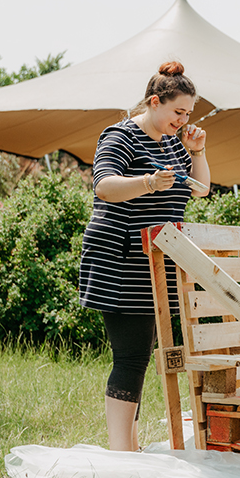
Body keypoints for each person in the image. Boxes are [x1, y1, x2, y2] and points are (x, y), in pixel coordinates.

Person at [78, 61, 211, 452]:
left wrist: (197, 151)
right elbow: (104, 187)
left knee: (139, 353)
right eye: (178, 112)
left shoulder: (172, 142)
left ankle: (129, 446)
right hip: (120, 260)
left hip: (156, 264)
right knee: (132, 355)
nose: (183, 120)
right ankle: (121, 453)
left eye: (188, 114)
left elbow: (200, 189)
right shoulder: (120, 136)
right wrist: (148, 182)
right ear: (155, 101)